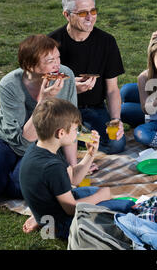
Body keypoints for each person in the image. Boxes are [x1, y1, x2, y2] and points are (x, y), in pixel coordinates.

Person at [0, 35, 77, 203]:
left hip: (42, 142)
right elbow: (24, 139)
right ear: (30, 65)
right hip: (4, 138)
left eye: (58, 57)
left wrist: (73, 167)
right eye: (50, 60)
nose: (57, 65)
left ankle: (1, 177)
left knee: (21, 188)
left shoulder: (67, 76)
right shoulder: (8, 85)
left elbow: (70, 123)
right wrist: (43, 102)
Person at [19, 98, 135, 239]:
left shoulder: (42, 147)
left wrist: (90, 154)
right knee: (121, 213)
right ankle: (41, 219)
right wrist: (99, 197)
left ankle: (39, 216)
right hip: (62, 224)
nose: (78, 133)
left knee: (104, 196)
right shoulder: (52, 167)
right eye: (75, 129)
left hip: (52, 207)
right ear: (61, 133)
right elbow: (71, 209)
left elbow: (74, 178)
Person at [49, 0, 125, 155]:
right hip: (62, 108)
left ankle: (76, 139)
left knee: (116, 145)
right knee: (52, 146)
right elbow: (43, 90)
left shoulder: (107, 42)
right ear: (67, 15)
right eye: (82, 13)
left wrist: (116, 120)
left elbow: (112, 89)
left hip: (94, 108)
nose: (90, 17)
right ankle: (75, 140)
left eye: (93, 10)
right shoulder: (52, 43)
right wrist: (70, 89)